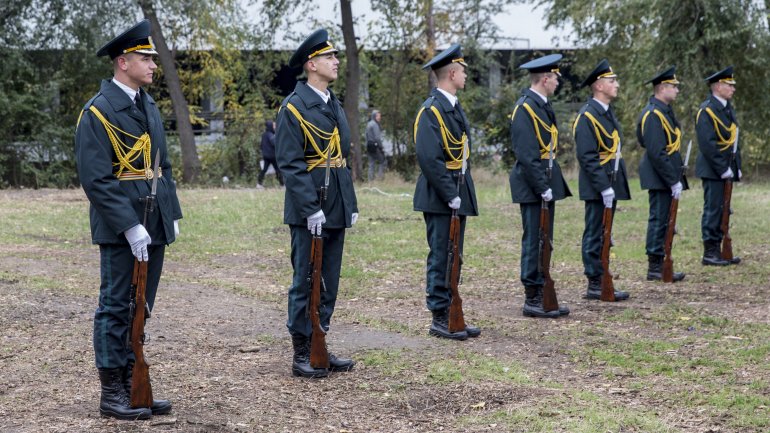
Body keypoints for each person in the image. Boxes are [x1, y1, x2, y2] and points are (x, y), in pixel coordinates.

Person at [74, 19, 182, 420]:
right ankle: (113, 389)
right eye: (145, 58)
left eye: (152, 58)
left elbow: (163, 166)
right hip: (123, 226)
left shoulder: (146, 104)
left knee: (143, 306)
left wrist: (171, 214)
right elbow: (97, 179)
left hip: (153, 221)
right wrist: (128, 224)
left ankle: (136, 381)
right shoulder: (98, 112)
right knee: (117, 305)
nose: (153, 65)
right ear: (123, 62)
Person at [275, 29, 358, 378]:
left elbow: (342, 157)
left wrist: (348, 201)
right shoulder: (294, 107)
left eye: (336, 56)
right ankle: (302, 351)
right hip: (312, 206)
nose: (336, 61)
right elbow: (291, 165)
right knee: (307, 277)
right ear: (312, 64)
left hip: (336, 202)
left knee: (329, 278)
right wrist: (310, 208)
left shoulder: (331, 102)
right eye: (329, 57)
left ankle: (320, 340)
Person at [413, 44, 480, 340]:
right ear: (451, 73)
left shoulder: (452, 107)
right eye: (463, 70)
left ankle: (453, 309)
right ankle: (440, 315)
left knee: (456, 254)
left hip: (458, 188)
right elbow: (429, 157)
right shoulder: (431, 111)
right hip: (441, 194)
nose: (466, 75)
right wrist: (448, 191)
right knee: (441, 254)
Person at [509, 54, 571, 318]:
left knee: (545, 239)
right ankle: (532, 296)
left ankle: (541, 287)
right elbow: (526, 153)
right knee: (534, 238)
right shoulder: (526, 108)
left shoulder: (542, 105)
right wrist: (541, 185)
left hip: (546, 179)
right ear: (545, 79)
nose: (557, 82)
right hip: (533, 183)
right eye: (555, 77)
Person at [573, 59, 630, 301]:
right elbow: (587, 156)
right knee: (595, 231)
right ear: (598, 86)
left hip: (610, 180)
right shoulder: (588, 116)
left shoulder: (605, 113)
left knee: (605, 232)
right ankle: (595, 281)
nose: (616, 84)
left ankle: (602, 275)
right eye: (611, 81)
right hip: (598, 183)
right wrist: (604, 186)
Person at [637, 66, 688, 281]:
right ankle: (655, 266)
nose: (677, 90)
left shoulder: (665, 111)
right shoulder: (653, 114)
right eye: (673, 86)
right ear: (662, 88)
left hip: (667, 174)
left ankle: (662, 260)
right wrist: (672, 179)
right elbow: (656, 151)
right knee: (659, 219)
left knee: (666, 219)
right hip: (660, 176)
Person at [695, 66, 742, 266]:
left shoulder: (726, 108)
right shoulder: (707, 110)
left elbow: (733, 139)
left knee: (725, 209)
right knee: (713, 209)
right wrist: (723, 167)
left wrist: (736, 165)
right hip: (713, 169)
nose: (733, 88)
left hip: (726, 167)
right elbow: (707, 143)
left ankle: (721, 248)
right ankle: (710, 251)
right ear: (719, 86)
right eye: (729, 85)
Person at [257, 119, 284, 188]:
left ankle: (259, 184)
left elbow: (261, 145)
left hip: (266, 156)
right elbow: (274, 143)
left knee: (264, 170)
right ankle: (282, 184)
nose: (275, 127)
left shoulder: (264, 135)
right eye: (274, 125)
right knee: (278, 170)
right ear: (270, 126)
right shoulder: (270, 135)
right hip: (272, 156)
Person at [366, 110, 386, 181]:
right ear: (374, 116)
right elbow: (377, 138)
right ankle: (380, 179)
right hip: (375, 146)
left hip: (369, 146)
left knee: (371, 163)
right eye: (378, 116)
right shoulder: (375, 125)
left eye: (379, 116)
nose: (379, 117)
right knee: (382, 161)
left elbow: (367, 136)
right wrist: (381, 148)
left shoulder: (368, 124)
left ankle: (370, 181)